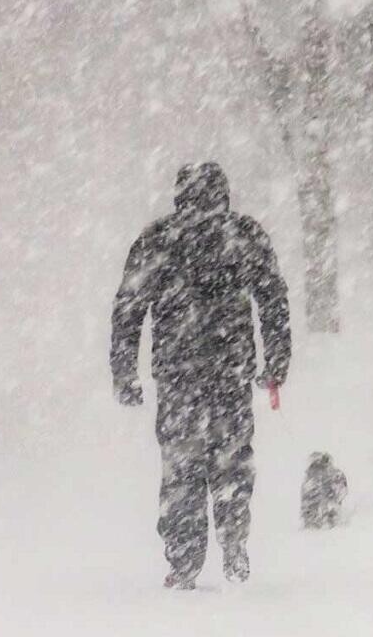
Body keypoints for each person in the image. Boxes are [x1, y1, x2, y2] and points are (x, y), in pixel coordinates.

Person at [110, 161, 291, 590]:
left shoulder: (158, 240)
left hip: (178, 376)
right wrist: (277, 361)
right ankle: (233, 544)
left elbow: (128, 310)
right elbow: (272, 298)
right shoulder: (244, 235)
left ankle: (184, 563)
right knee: (231, 460)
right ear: (223, 194)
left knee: (182, 468)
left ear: (179, 195)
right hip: (230, 371)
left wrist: (125, 373)